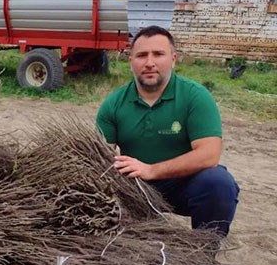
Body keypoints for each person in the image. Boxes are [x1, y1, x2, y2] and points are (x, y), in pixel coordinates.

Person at [96, 26, 239, 236]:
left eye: (158, 54)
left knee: (219, 184)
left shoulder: (195, 97)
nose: (149, 63)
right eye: (142, 55)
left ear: (173, 59)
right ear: (131, 62)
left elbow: (209, 155)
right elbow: (99, 156)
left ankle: (204, 256)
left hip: (183, 184)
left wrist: (151, 170)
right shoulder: (113, 104)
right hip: (135, 186)